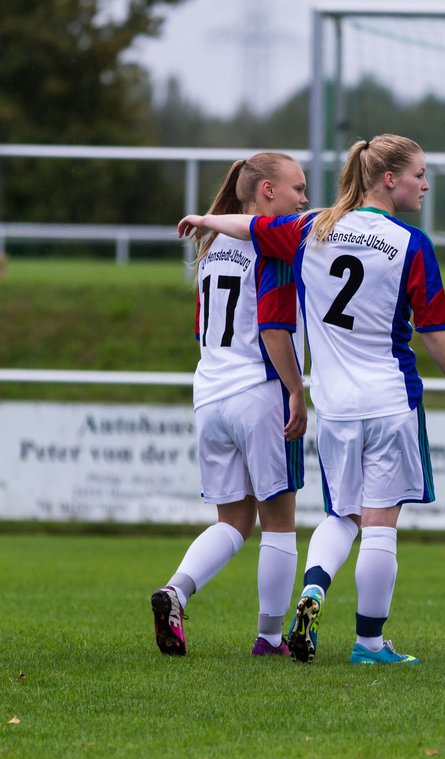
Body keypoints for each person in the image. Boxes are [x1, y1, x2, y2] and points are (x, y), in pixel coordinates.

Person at [177, 134, 445, 665]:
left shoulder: (312, 229)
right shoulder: (410, 242)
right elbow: (433, 327)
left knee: (341, 514)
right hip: (389, 398)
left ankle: (314, 588)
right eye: (419, 174)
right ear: (389, 179)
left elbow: (251, 226)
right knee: (380, 522)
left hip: (333, 405)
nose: (425, 184)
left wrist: (205, 222)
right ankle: (368, 643)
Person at [151, 152, 309, 658]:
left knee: (233, 522)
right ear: (266, 191)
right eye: (297, 188)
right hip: (258, 390)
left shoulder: (212, 243)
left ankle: (176, 590)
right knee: (279, 521)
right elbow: (273, 327)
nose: (303, 199)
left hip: (210, 393)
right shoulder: (272, 245)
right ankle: (268, 638)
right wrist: (295, 390)